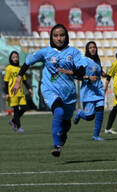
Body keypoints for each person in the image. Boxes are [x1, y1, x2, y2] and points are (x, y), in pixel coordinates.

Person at [11, 24, 85, 157]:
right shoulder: (45, 52)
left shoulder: (74, 52)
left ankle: (62, 135)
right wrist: (18, 79)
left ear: (66, 36)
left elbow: (81, 71)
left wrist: (74, 72)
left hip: (69, 93)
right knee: (59, 111)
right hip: (49, 89)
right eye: (56, 35)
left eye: (62, 35)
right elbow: (27, 63)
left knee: (66, 123)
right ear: (51, 37)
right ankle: (56, 146)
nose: (59, 38)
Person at [71, 41, 105, 141]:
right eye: (90, 47)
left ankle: (96, 135)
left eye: (94, 47)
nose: (93, 49)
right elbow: (76, 75)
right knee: (90, 117)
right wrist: (88, 77)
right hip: (88, 92)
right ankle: (79, 113)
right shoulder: (84, 60)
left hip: (98, 90)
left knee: (100, 112)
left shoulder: (97, 60)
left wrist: (103, 73)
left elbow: (98, 70)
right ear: (87, 49)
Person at [3, 51, 33, 133]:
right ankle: (19, 127)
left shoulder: (20, 68)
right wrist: (6, 93)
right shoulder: (8, 68)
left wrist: (29, 88)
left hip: (21, 92)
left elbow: (24, 80)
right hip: (12, 92)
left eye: (16, 57)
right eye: (13, 57)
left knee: (24, 108)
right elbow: (5, 82)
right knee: (16, 110)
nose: (15, 58)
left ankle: (13, 121)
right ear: (11, 59)